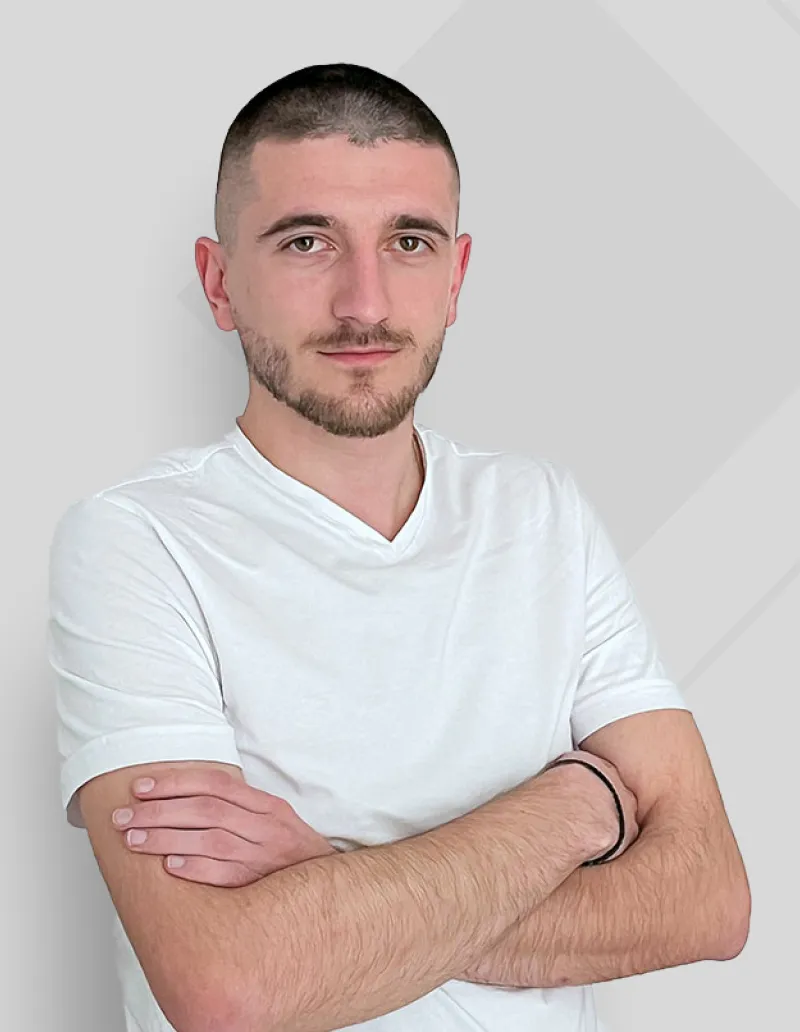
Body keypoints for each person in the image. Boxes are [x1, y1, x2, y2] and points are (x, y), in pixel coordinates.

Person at [48, 63, 750, 1032]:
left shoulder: (541, 513)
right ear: (219, 282)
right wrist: (580, 805)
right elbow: (230, 986)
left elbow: (708, 899)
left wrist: (330, 880)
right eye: (306, 242)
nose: (364, 304)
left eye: (408, 242)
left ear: (455, 277)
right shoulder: (136, 542)